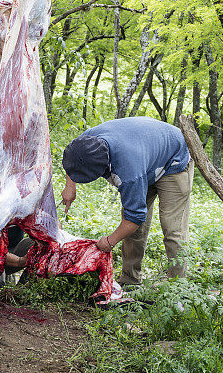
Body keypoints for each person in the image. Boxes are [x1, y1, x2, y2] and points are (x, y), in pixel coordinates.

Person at [61, 117, 194, 287]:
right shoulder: (87, 141)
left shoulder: (129, 172)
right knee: (133, 231)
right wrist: (70, 185)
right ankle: (130, 280)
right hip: (146, 153)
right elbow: (73, 156)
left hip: (173, 160)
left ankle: (178, 289)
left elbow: (134, 217)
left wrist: (109, 242)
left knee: (173, 229)